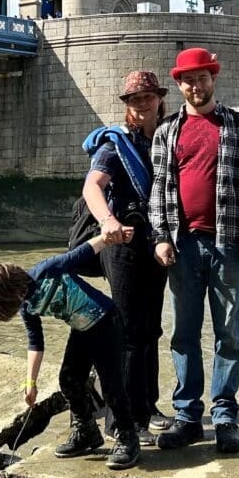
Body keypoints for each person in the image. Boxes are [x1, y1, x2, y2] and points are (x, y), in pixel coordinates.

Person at [149, 47, 239, 454]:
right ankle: (187, 418)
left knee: (228, 335)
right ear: (179, 85)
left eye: (202, 77)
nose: (195, 85)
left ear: (213, 78)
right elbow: (158, 191)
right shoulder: (167, 131)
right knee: (184, 334)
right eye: (187, 79)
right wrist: (161, 236)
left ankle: (224, 418)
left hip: (229, 245)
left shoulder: (237, 125)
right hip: (182, 246)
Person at [0, 230, 141, 470]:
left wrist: (111, 236)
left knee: (112, 385)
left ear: (9, 291)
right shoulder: (27, 306)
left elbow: (82, 252)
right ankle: (86, 431)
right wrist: (30, 383)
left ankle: (128, 437)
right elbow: (36, 342)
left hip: (106, 321)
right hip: (81, 329)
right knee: (69, 380)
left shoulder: (47, 270)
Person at [82, 70, 170, 445]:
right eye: (135, 98)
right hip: (122, 245)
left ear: (159, 99)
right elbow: (93, 186)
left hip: (156, 242)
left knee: (150, 329)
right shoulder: (114, 144)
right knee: (130, 331)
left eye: (148, 96)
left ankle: (148, 406)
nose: (143, 103)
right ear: (127, 105)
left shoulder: (166, 138)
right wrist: (108, 221)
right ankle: (123, 418)